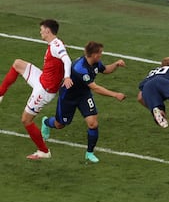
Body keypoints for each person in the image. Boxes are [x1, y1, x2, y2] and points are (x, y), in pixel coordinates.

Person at [41, 41, 126, 163]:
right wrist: (115, 94)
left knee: (93, 123)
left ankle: (89, 153)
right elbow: (95, 88)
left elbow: (105, 69)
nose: (101, 55)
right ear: (94, 54)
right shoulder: (80, 68)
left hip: (84, 96)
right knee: (60, 124)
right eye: (100, 53)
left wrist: (116, 64)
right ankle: (45, 122)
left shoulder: (95, 62)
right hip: (68, 97)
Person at [0, 19, 73, 160]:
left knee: (26, 120)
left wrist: (67, 77)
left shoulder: (56, 45)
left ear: (47, 31)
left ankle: (44, 151)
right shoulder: (54, 44)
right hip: (41, 78)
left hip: (44, 90)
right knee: (17, 64)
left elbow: (67, 60)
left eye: (41, 30)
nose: (40, 32)